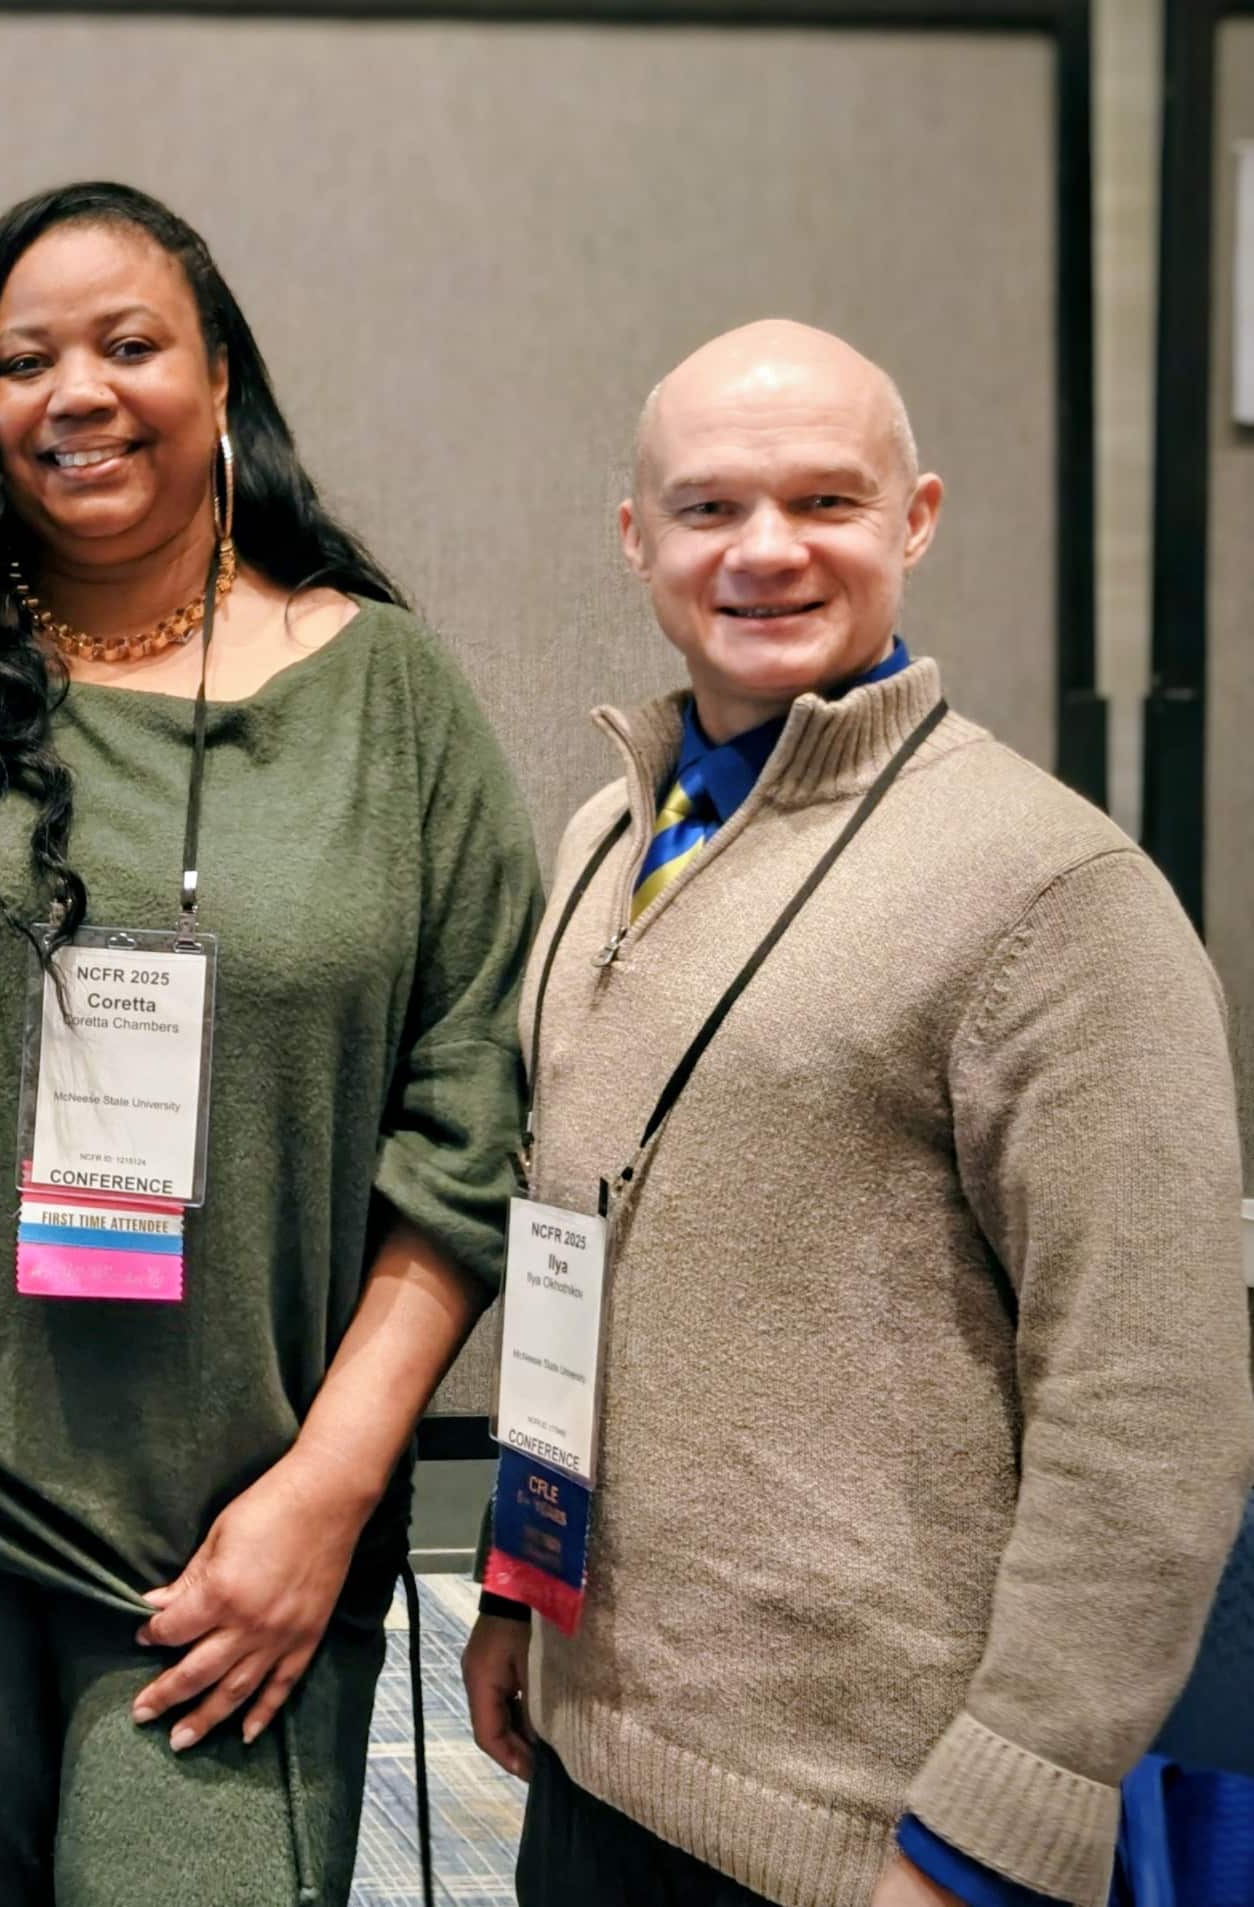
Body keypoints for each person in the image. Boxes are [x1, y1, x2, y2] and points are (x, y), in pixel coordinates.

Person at [0, 180, 542, 1906]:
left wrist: (329, 1487)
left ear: (220, 376)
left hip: (238, 1526)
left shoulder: (387, 704)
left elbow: (468, 1137)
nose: (72, 392)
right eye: (23, 360)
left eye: (127, 344)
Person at [461, 319, 1253, 1907]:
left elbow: (1148, 1408)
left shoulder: (1054, 892)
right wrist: (513, 1591)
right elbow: (584, 1242)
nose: (765, 550)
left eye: (825, 502)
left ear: (916, 519)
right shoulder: (604, 836)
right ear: (635, 540)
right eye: (707, 509)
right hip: (590, 1755)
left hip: (865, 1839)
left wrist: (987, 1834)